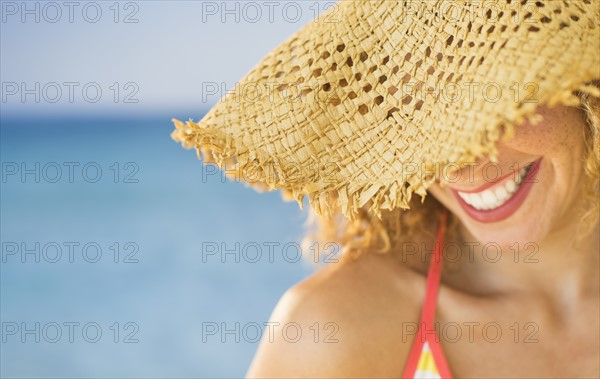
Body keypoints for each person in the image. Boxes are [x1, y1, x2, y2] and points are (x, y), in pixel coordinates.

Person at [171, 1, 600, 377]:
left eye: (493, 98)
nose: (460, 163)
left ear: (584, 83)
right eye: (415, 109)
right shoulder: (333, 332)